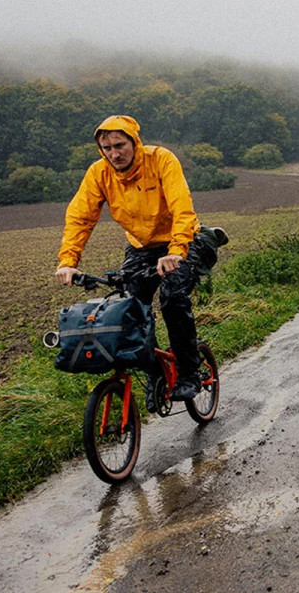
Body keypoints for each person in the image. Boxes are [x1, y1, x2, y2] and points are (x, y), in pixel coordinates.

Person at [55, 115, 227, 406]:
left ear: (134, 141)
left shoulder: (161, 159)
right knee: (130, 308)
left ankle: (188, 372)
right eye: (107, 148)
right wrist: (68, 260)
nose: (114, 154)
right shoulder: (99, 174)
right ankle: (155, 373)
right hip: (141, 247)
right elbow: (80, 216)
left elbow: (181, 207)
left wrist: (176, 251)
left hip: (182, 239)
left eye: (120, 145)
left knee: (173, 297)